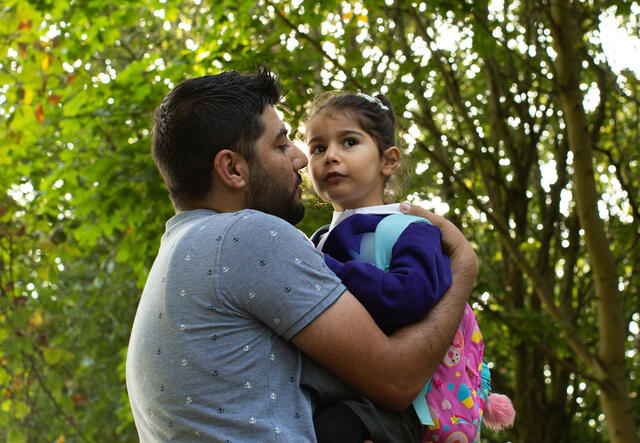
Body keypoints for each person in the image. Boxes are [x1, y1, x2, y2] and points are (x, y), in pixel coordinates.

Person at [125, 67, 478, 442]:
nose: (301, 158)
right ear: (232, 168)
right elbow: (396, 380)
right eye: (281, 146)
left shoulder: (181, 253)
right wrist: (463, 270)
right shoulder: (246, 236)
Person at [304, 92, 512, 443]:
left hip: (404, 411)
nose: (331, 157)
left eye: (349, 142)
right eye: (317, 148)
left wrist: (323, 268)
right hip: (342, 390)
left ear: (389, 161)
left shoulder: (410, 228)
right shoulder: (317, 241)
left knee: (332, 430)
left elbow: (409, 297)